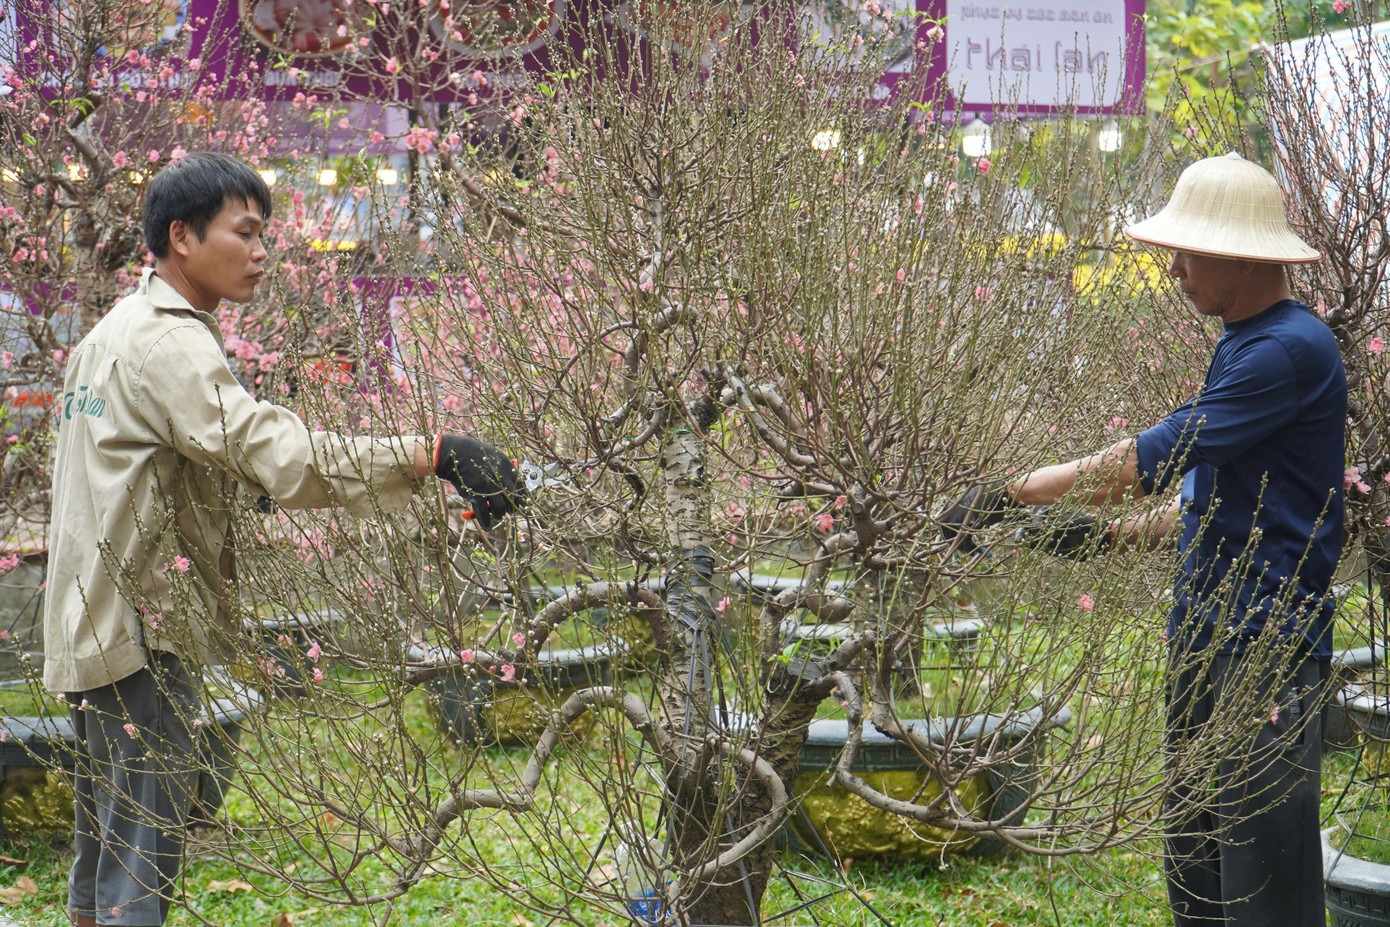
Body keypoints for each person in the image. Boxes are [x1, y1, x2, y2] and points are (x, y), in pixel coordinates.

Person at [43, 152, 525, 927]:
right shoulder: (169, 342)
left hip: (91, 616)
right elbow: (280, 452)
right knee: (144, 858)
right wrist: (434, 453)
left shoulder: (109, 333)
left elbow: (144, 463)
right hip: (140, 628)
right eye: (247, 231)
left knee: (104, 845)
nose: (263, 251)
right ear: (183, 237)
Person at [940, 152, 1342, 927]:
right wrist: (1099, 538)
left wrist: (1006, 491)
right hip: (1207, 633)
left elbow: (1146, 459)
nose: (1176, 269)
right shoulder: (1244, 341)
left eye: (1190, 253)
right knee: (1197, 869)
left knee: (1263, 887)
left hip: (1260, 645)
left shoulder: (1285, 350)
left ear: (1244, 254)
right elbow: (1213, 500)